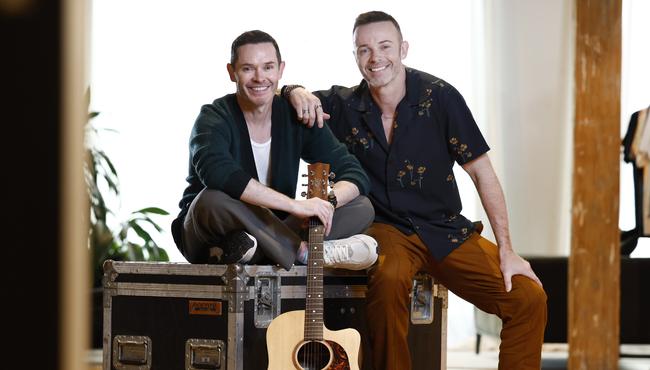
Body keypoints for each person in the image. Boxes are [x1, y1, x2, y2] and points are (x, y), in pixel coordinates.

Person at [283, 11, 547, 370]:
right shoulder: (340, 106)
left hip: (445, 228)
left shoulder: (441, 98)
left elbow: (483, 174)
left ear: (403, 48)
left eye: (385, 46)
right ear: (356, 56)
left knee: (528, 297)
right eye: (364, 49)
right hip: (385, 229)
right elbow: (280, 105)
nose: (376, 58)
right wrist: (293, 89)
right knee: (389, 280)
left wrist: (508, 250)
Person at [170, 30, 378, 272]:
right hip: (208, 232)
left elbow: (354, 173)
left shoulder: (295, 115)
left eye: (268, 67)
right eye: (248, 68)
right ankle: (303, 252)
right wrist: (295, 206)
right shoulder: (213, 118)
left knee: (362, 206)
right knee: (211, 198)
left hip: (267, 230)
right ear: (231, 72)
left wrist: (326, 203)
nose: (260, 78)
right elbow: (218, 173)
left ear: (280, 69)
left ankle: (257, 252)